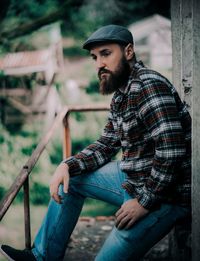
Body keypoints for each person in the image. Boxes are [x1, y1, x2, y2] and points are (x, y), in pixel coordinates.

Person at [0, 24, 191, 261]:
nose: (99, 63)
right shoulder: (122, 93)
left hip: (166, 195)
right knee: (71, 179)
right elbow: (107, 143)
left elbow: (171, 152)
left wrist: (143, 202)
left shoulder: (149, 86)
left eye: (106, 53)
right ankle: (42, 257)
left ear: (129, 51)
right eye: (94, 57)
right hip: (134, 178)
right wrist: (68, 165)